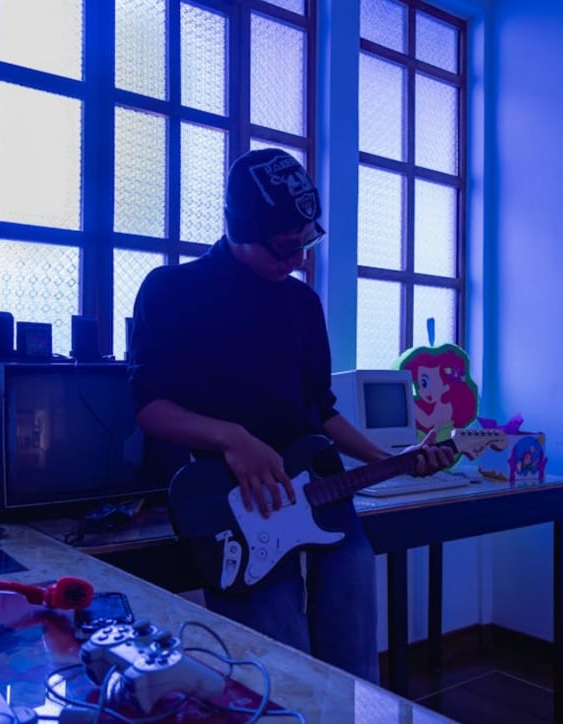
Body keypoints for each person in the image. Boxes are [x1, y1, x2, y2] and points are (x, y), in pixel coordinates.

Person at [127, 148, 454, 683]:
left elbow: (321, 412)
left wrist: (394, 459)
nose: (299, 260)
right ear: (239, 229)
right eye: (284, 248)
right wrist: (232, 438)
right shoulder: (172, 291)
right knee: (277, 672)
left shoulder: (302, 304)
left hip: (324, 488)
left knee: (355, 662)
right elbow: (149, 407)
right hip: (235, 506)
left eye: (307, 242)